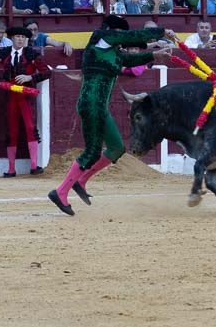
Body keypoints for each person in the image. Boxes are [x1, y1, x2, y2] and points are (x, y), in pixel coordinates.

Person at [46, 17, 171, 215]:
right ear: (112, 31)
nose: (121, 39)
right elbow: (133, 36)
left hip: (100, 107)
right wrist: (161, 32)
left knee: (116, 148)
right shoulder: (100, 38)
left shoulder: (112, 51)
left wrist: (155, 54)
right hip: (91, 103)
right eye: (119, 34)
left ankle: (82, 180)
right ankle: (60, 192)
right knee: (92, 152)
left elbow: (131, 59)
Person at [0, 26, 50, 177]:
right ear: (12, 38)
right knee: (11, 130)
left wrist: (30, 78)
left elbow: (47, 72)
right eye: (17, 37)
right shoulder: (4, 53)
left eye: (23, 37)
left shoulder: (31, 54)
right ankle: (11, 168)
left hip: (25, 96)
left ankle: (34, 166)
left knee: (29, 127)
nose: (20, 39)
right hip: (10, 96)